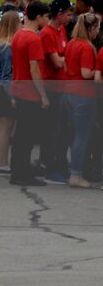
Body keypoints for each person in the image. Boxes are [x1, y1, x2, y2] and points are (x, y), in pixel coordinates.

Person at [9, 0, 51, 186]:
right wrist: (43, 94)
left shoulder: (18, 35)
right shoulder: (34, 38)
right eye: (47, 16)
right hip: (29, 92)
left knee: (20, 134)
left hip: (18, 88)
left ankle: (17, 169)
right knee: (27, 135)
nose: (48, 20)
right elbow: (35, 70)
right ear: (39, 16)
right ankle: (23, 173)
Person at [61, 12, 100, 188]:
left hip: (68, 93)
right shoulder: (86, 47)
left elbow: (67, 66)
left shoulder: (71, 43)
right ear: (91, 28)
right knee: (82, 136)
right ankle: (76, 174)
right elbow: (86, 73)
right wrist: (98, 72)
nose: (98, 32)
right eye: (97, 28)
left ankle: (74, 170)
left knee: (74, 134)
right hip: (83, 95)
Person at [41, 0, 73, 183]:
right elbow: (57, 61)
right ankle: (50, 166)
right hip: (51, 87)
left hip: (62, 85)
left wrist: (65, 59)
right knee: (52, 129)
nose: (70, 18)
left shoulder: (61, 30)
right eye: (68, 14)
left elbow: (64, 58)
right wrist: (67, 59)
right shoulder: (47, 33)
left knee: (61, 129)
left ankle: (58, 163)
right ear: (59, 13)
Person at [0, 10, 20, 177]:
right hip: (5, 89)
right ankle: (2, 163)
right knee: (5, 129)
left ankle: (2, 162)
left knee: (2, 128)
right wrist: (12, 96)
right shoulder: (7, 46)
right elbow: (8, 74)